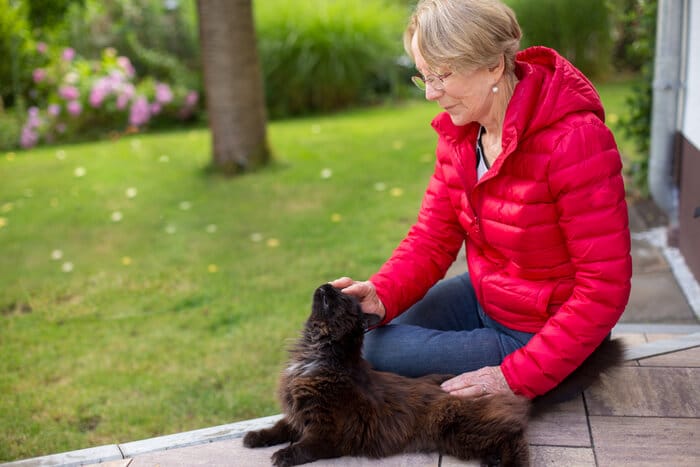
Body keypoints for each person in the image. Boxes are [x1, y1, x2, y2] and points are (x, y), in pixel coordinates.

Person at [331, 0, 632, 400]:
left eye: (442, 76)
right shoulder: (461, 135)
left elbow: (603, 289)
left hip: (543, 328)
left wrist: (513, 376)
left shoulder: (575, 141)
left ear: (493, 65)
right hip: (488, 296)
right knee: (364, 329)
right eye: (424, 78)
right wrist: (382, 293)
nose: (431, 94)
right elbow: (432, 238)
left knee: (373, 349)